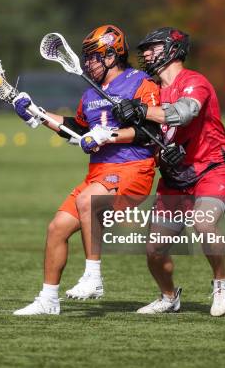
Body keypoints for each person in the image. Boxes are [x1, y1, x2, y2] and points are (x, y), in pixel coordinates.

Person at [12, 25, 161, 315]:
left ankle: (93, 276)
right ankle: (48, 300)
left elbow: (152, 130)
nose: (88, 63)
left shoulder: (141, 82)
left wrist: (109, 135)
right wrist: (37, 113)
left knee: (87, 200)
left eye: (94, 57)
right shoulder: (90, 95)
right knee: (57, 228)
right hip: (99, 173)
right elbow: (77, 131)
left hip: (133, 168)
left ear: (112, 54)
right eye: (87, 57)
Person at [112, 27, 225, 317]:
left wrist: (141, 111)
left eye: (152, 48)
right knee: (154, 250)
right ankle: (169, 297)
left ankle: (221, 282)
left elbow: (183, 113)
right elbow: (145, 133)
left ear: (172, 49)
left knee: (203, 222)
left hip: (211, 169)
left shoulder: (195, 82)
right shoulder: (151, 89)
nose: (144, 54)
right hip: (174, 178)